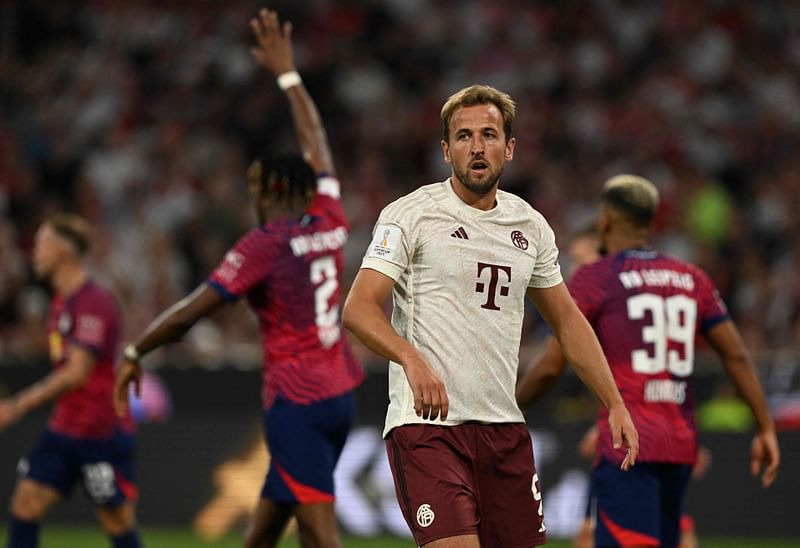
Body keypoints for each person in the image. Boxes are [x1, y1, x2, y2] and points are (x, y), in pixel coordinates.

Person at [341, 84, 639, 548]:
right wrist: (411, 359)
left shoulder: (531, 225)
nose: (477, 147)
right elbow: (359, 308)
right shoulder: (411, 215)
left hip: (504, 431)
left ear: (510, 147)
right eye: (463, 137)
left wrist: (614, 401)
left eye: (488, 134)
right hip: (428, 430)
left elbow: (567, 321)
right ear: (446, 150)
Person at [113, 9, 363, 548]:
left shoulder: (265, 245)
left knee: (319, 535)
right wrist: (290, 77)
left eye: (256, 188)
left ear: (271, 187)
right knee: (266, 528)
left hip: (296, 397)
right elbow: (317, 143)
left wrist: (135, 352)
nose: (251, 197)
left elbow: (191, 314)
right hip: (340, 392)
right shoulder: (330, 218)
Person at [516, 174, 781, 547]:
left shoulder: (597, 277)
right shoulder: (692, 278)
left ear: (605, 219)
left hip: (629, 444)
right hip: (679, 446)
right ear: (653, 222)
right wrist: (765, 427)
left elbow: (549, 366)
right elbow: (735, 354)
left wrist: (510, 407)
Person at [0, 213, 142, 548]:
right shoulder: (61, 302)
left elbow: (77, 372)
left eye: (41, 244)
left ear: (62, 251)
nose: (35, 252)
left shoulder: (94, 301)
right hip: (64, 427)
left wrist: (17, 406)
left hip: (100, 431)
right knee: (25, 502)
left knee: (116, 519)